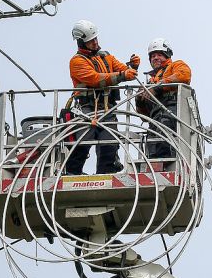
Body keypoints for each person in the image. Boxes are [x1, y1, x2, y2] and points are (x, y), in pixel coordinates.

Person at [65, 20, 139, 176]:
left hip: (107, 109)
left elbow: (125, 71)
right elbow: (95, 79)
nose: (95, 42)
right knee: (82, 142)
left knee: (109, 143)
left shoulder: (106, 57)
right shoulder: (77, 62)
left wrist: (133, 67)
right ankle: (73, 173)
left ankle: (105, 174)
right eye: (91, 40)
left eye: (96, 38)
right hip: (87, 110)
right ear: (81, 42)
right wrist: (122, 75)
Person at [136, 38, 192, 162]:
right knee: (153, 147)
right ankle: (155, 166)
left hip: (171, 113)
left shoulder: (176, 65)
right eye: (153, 56)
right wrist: (139, 100)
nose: (155, 58)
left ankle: (165, 163)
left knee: (164, 143)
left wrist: (158, 87)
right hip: (155, 120)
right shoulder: (149, 81)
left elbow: (184, 75)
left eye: (159, 55)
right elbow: (144, 116)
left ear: (167, 55)